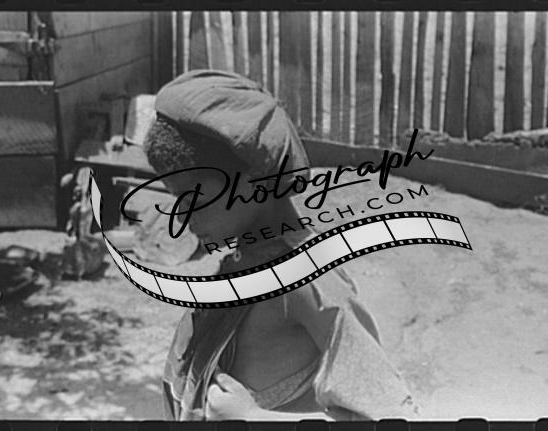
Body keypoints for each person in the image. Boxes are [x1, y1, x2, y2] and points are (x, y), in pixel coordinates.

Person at [142, 69, 417, 421]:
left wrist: (253, 417)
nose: (182, 215)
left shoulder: (308, 280)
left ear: (255, 179)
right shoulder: (244, 259)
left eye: (193, 196)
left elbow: (391, 417)